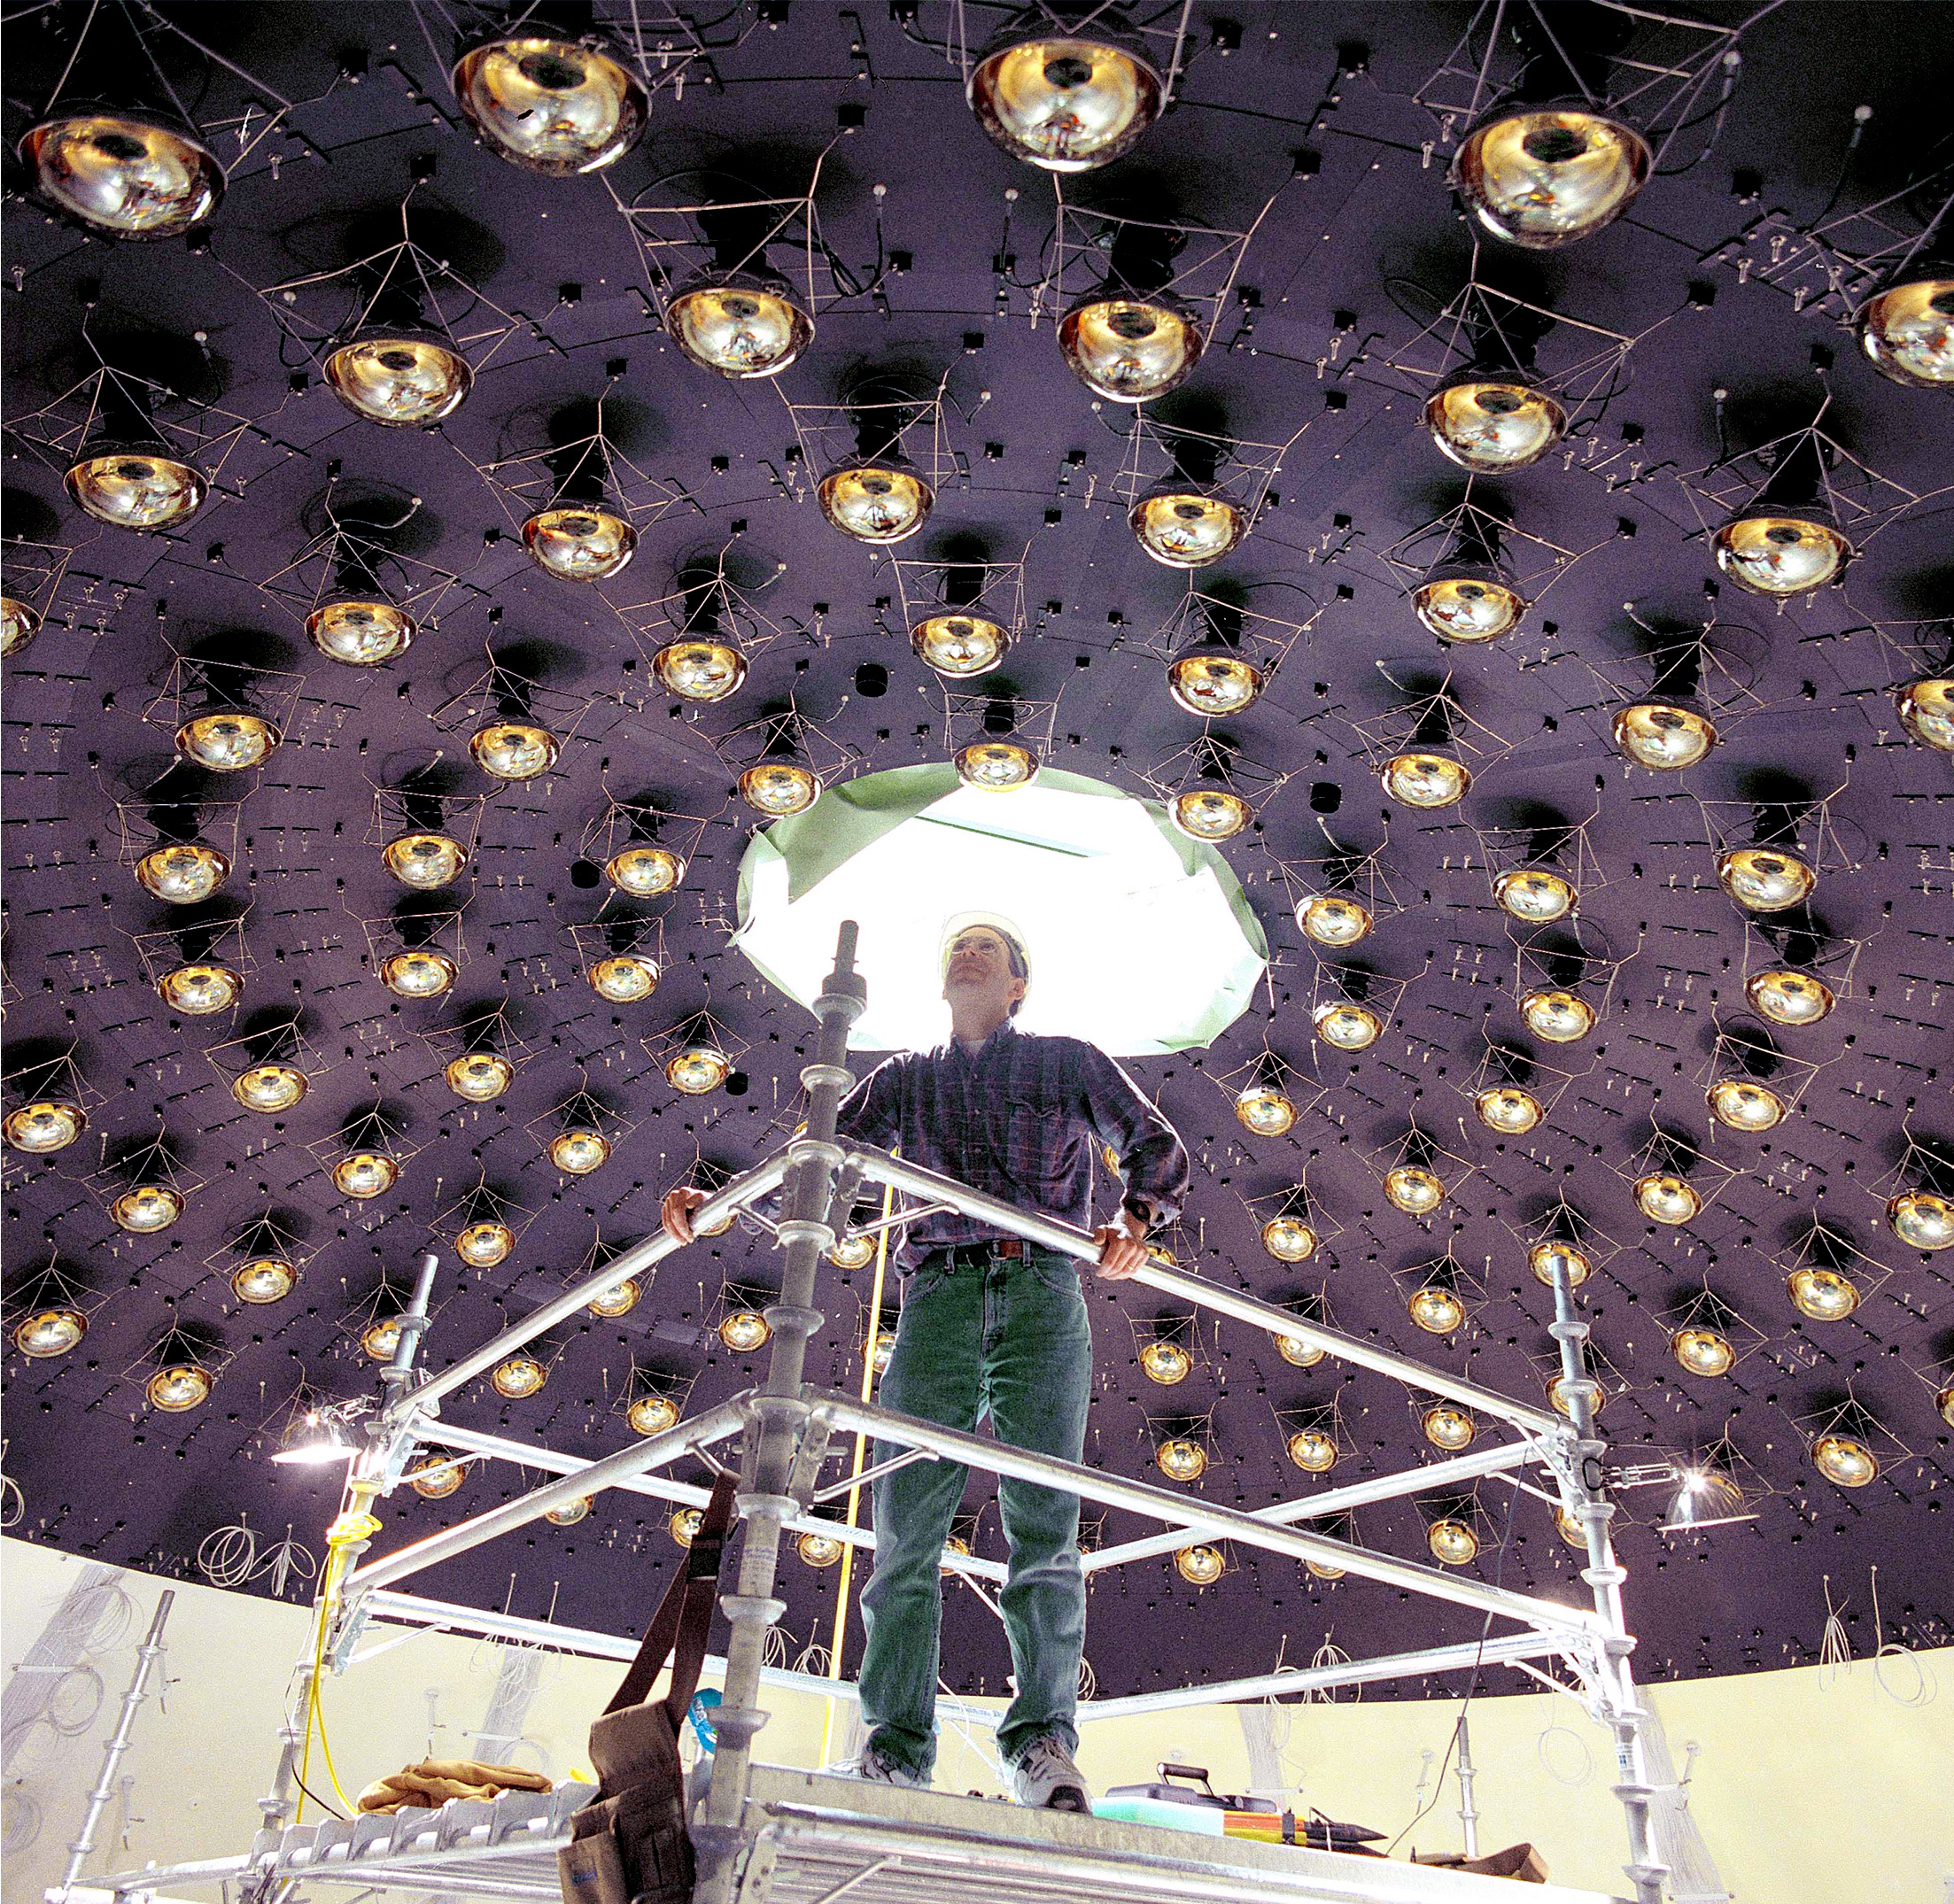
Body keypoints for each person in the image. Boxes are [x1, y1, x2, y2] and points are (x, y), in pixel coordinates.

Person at [661, 912, 1189, 1811]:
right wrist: (721, 1200)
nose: (968, 952)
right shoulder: (904, 1078)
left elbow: (1154, 1142)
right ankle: (896, 1746)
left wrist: (1141, 1220)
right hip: (937, 1297)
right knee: (903, 1531)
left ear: (1018, 983)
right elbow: (822, 1156)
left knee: (1043, 1527)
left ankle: (1043, 1746)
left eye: (989, 947)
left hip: (1039, 1292)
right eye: (958, 945)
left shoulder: (1065, 1058)